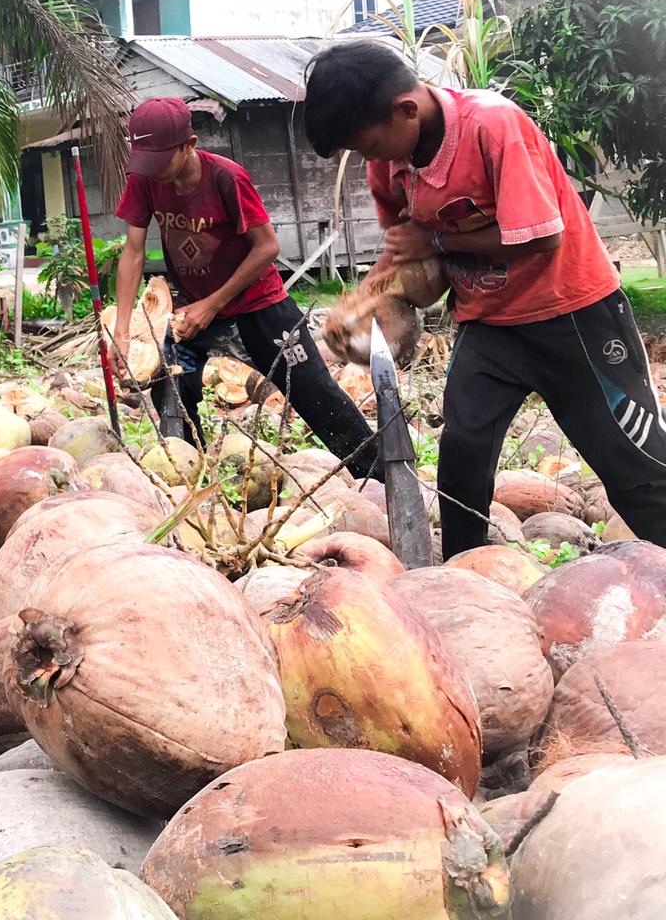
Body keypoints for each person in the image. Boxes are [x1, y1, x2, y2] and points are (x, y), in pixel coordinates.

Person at [303, 41, 666, 556]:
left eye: (370, 145)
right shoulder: (390, 163)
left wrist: (435, 241)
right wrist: (368, 301)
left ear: (406, 109)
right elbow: (408, 252)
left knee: (633, 465)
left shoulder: (492, 125)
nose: (371, 160)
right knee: (462, 456)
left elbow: (542, 238)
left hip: (573, 316)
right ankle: (464, 575)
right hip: (487, 324)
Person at [112, 96, 382, 479]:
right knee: (171, 386)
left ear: (189, 146)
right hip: (191, 311)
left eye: (160, 160)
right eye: (146, 160)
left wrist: (212, 304)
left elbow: (267, 247)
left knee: (315, 393)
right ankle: (187, 478)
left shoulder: (226, 178)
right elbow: (133, 252)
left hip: (260, 307)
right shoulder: (145, 181)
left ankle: (379, 476)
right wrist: (123, 331)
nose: (152, 171)